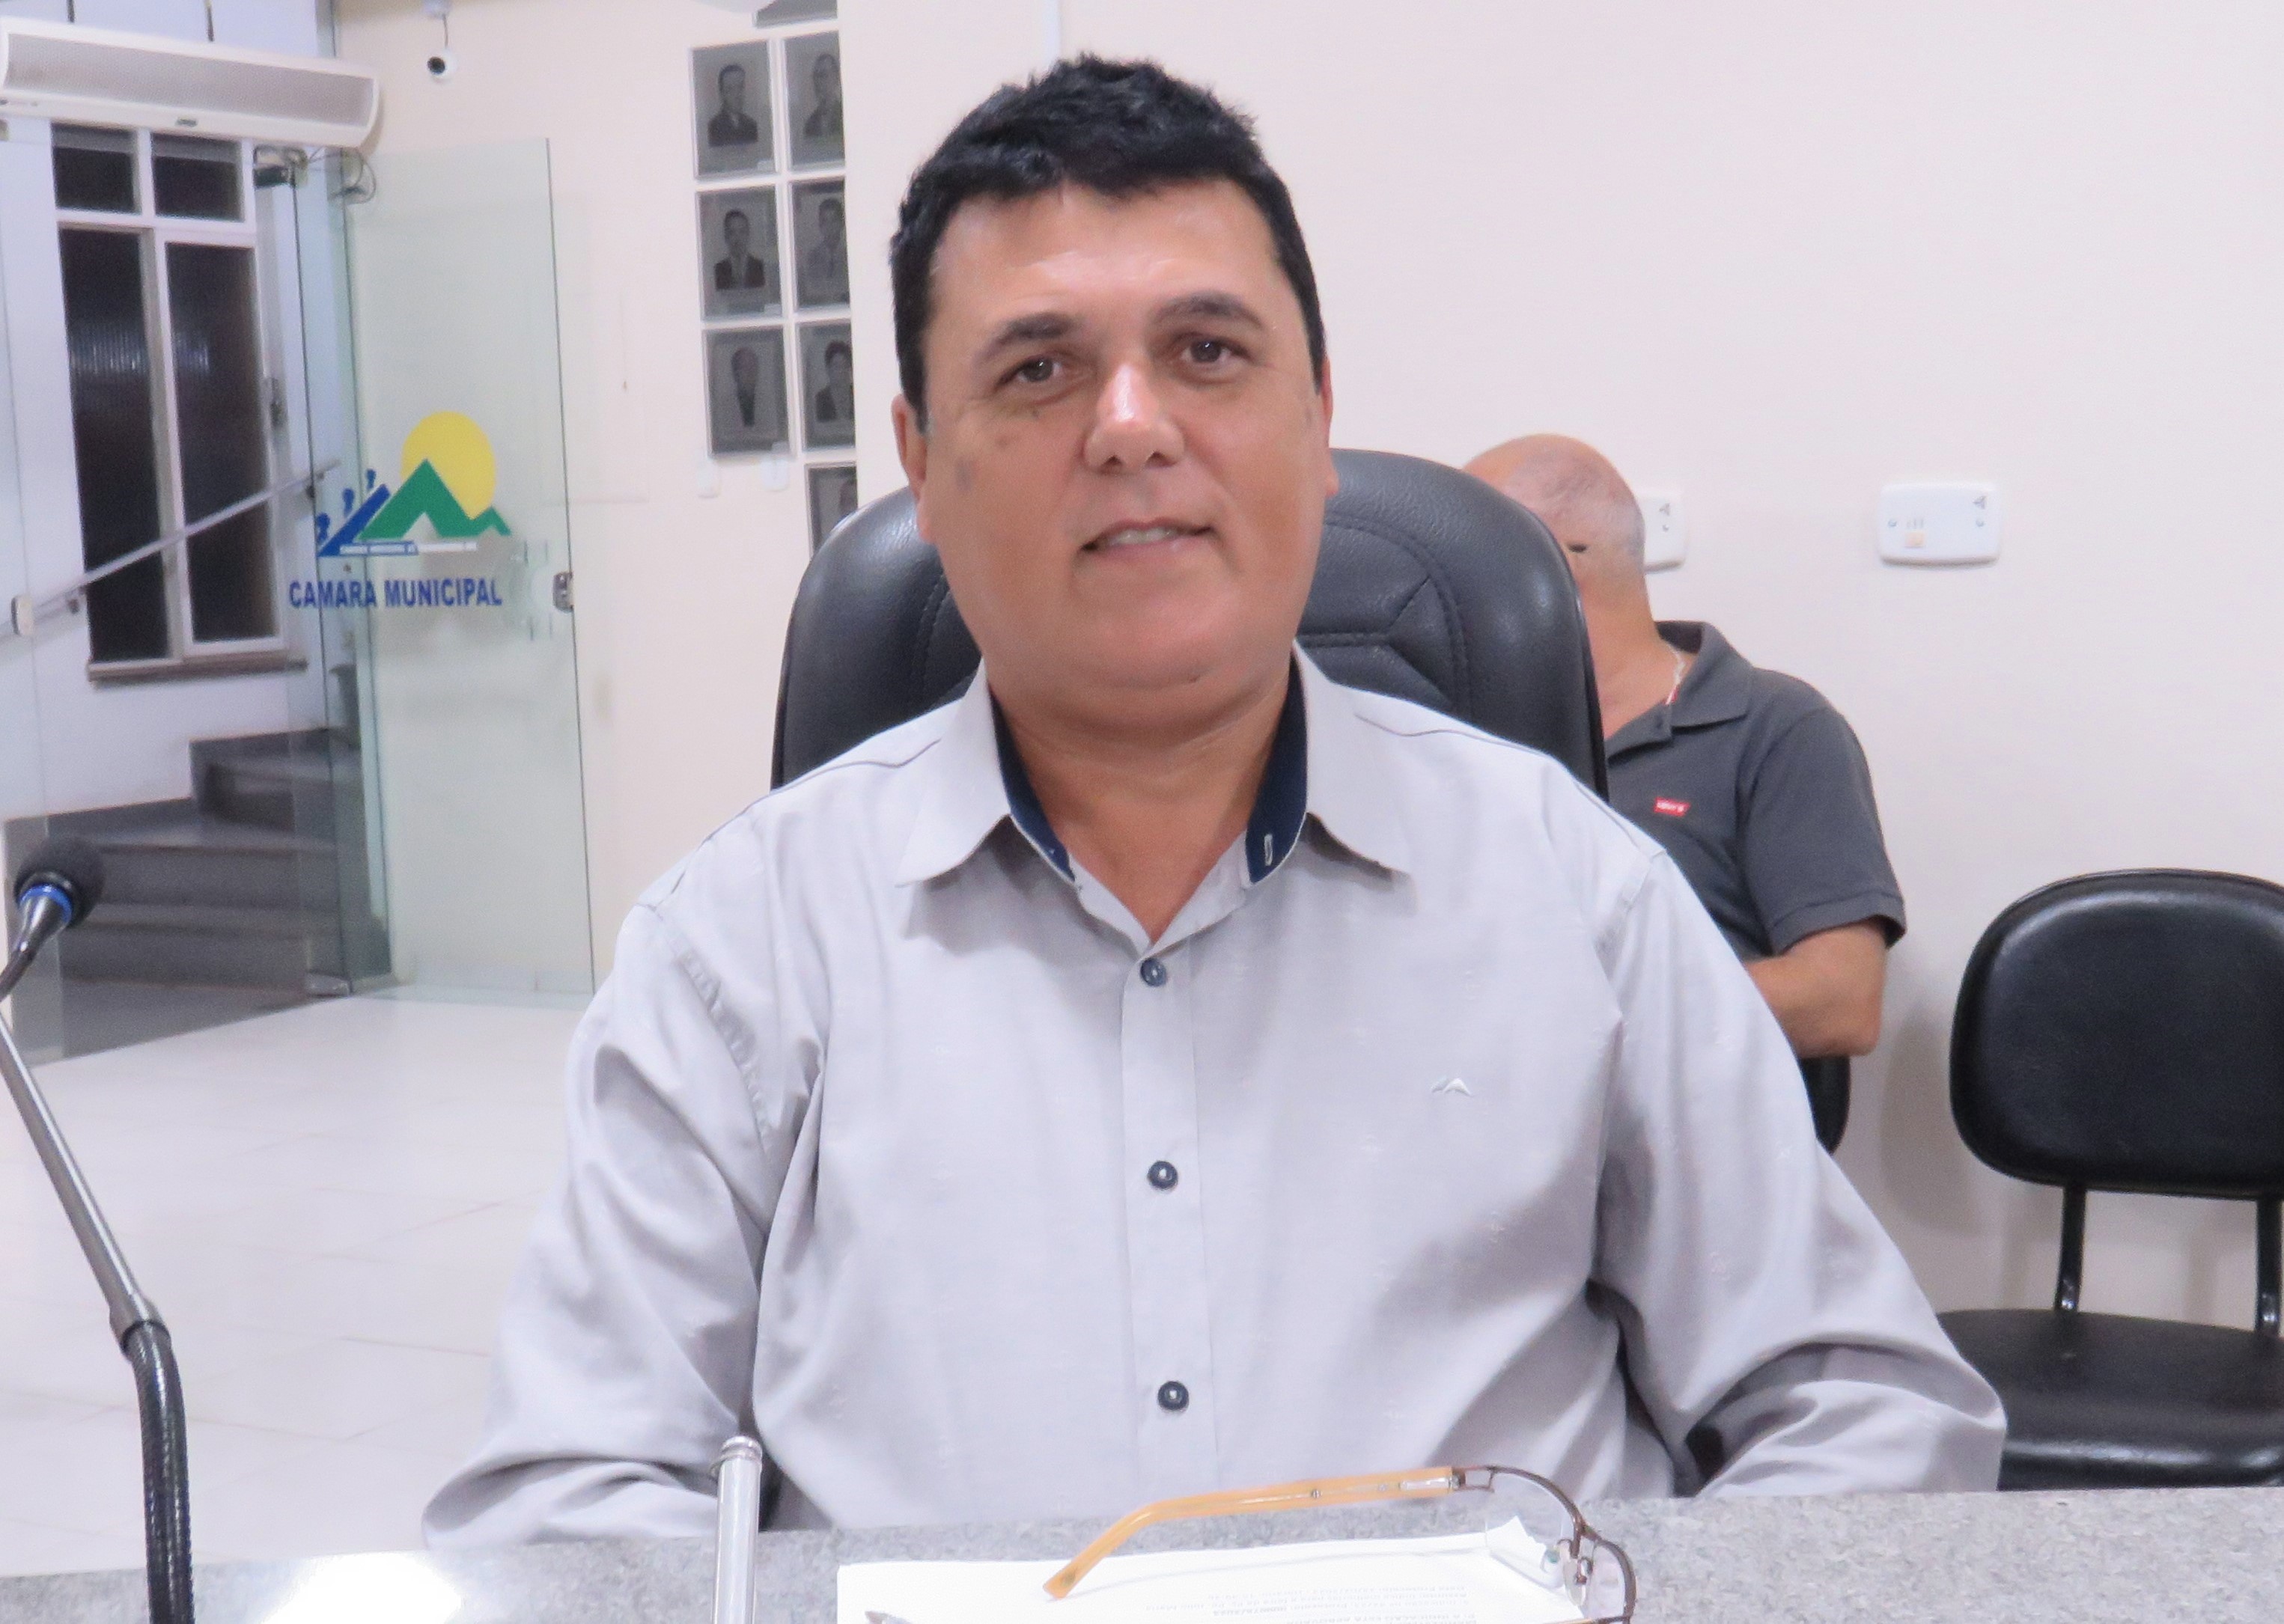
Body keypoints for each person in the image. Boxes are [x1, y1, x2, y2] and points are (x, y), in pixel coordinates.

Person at [428, 58, 2000, 1546]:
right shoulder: (738, 946)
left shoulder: (1576, 896)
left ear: (1316, 419)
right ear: (920, 461)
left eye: (1206, 351)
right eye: (1038, 369)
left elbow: (1863, 1409)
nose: (1131, 426)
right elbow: (573, 1492)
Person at [1467, 437, 1903, 1061]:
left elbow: (1840, 1002)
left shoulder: (1772, 725)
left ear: (1548, 565)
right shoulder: (1458, 728)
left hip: (1681, 1116)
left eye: (1464, 559)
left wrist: (1574, 1011)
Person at [802, 193, 849, 304]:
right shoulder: (813, 257)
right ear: (820, 225)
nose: (829, 227)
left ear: (842, 223)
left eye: (834, 220)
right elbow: (812, 290)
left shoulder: (849, 255)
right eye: (825, 221)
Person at [713, 209, 768, 297]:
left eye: (742, 232)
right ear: (726, 237)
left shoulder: (759, 267)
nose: (737, 238)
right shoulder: (719, 270)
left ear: (748, 235)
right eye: (732, 232)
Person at [708, 63, 761, 147]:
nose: (737, 95)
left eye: (740, 87)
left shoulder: (752, 125)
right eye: (730, 89)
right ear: (722, 94)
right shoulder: (714, 127)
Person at [803, 51, 843, 145]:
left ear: (836, 78)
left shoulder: (845, 117)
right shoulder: (811, 124)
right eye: (816, 76)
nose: (819, 82)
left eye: (824, 75)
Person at [811, 338, 854, 425]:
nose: (842, 371)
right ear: (828, 369)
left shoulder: (857, 395)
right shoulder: (821, 400)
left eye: (845, 365)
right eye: (837, 366)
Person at [728, 346, 761, 429]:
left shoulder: (768, 404)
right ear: (735, 373)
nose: (750, 372)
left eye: (753, 367)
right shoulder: (725, 407)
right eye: (745, 367)